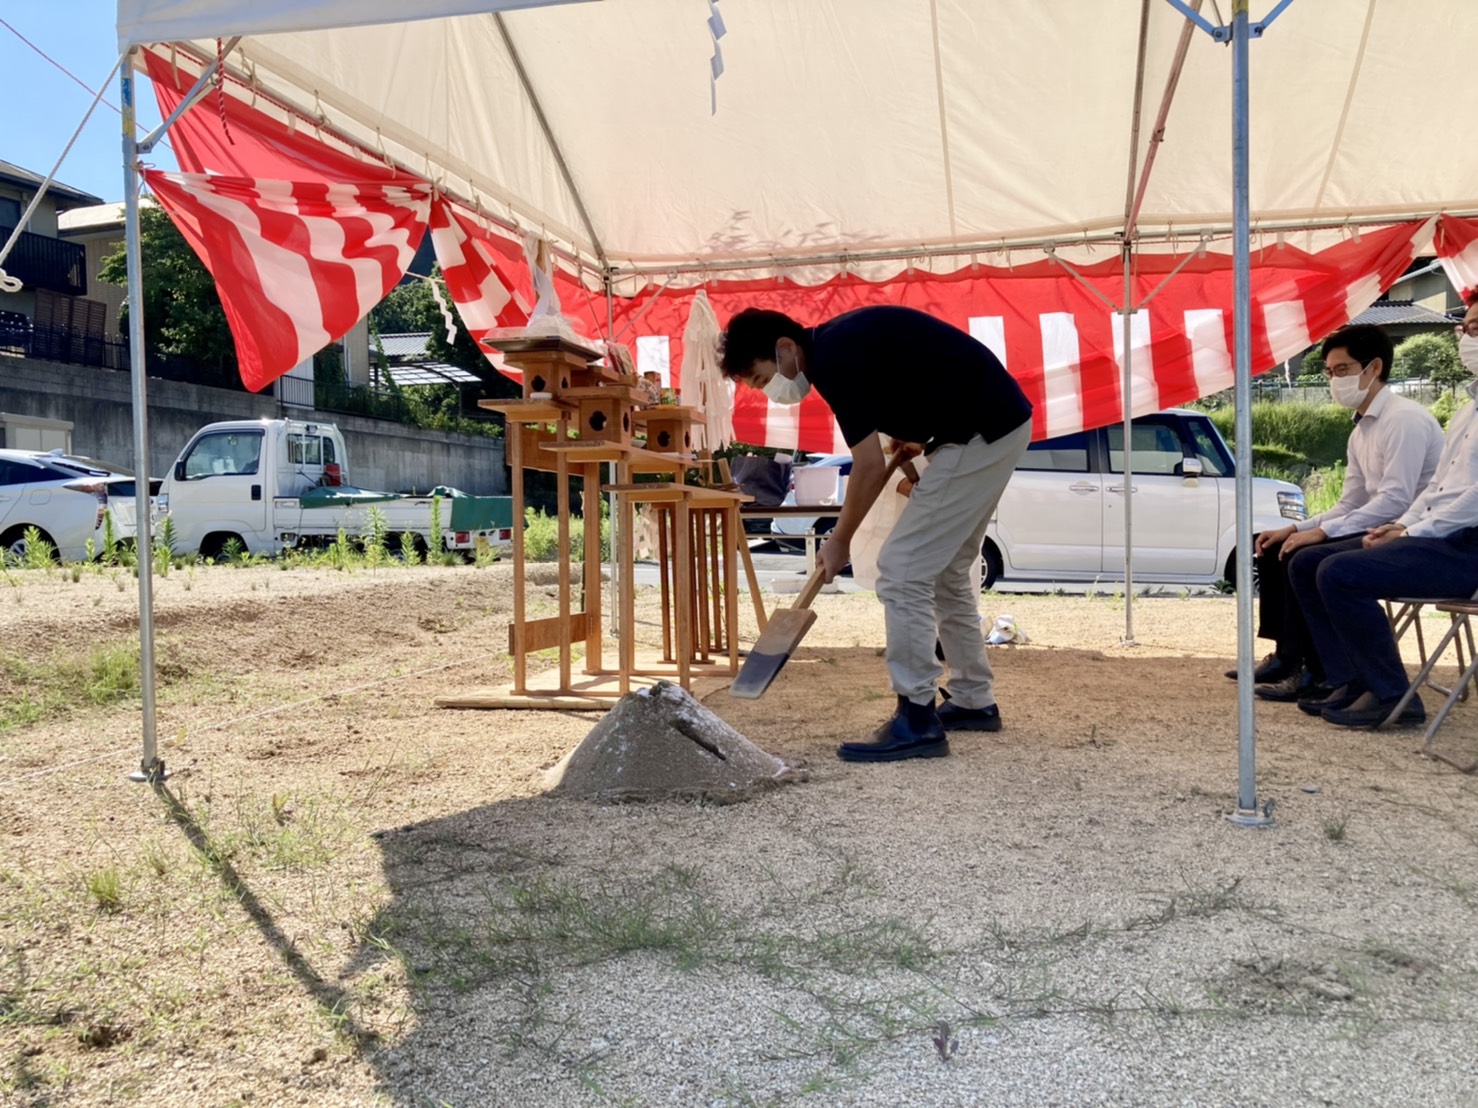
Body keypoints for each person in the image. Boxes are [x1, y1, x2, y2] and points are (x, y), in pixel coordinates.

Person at [719, 305, 1033, 762]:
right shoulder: (838, 343)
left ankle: (918, 717)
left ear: (785, 348)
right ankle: (973, 699)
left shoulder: (834, 357)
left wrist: (840, 539)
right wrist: (915, 440)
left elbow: (866, 466)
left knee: (902, 568)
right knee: (946, 570)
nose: (773, 393)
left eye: (765, 380)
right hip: (992, 423)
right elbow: (921, 382)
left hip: (980, 432)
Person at [1287, 295, 1478, 727]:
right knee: (1311, 561)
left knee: (1337, 571)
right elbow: (1438, 488)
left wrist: (1411, 533)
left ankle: (1393, 694)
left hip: (1466, 547)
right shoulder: (1468, 410)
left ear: (1373, 368)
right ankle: (1349, 679)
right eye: (1465, 329)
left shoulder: (1406, 418)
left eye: (1476, 329)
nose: (1466, 338)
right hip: (1440, 536)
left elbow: (1471, 501)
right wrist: (1403, 525)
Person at [1233, 324, 1442, 702]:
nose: (1334, 380)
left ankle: (1323, 672)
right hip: (1377, 525)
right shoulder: (1361, 430)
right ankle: (1290, 656)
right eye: (1329, 373)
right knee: (1272, 544)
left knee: (1305, 557)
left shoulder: (1404, 420)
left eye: (1342, 370)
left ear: (1373, 367)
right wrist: (1297, 525)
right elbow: (1351, 502)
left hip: (1407, 532)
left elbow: (1396, 501)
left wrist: (1323, 534)